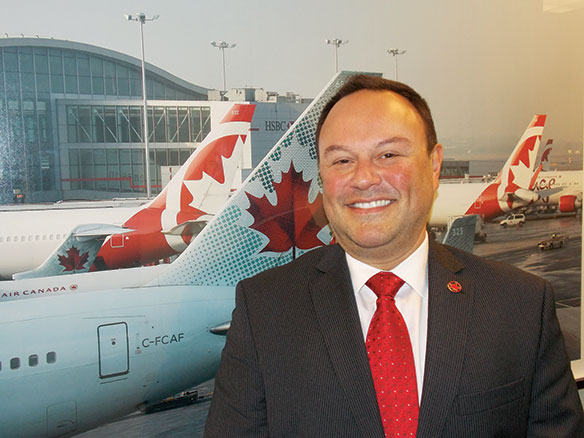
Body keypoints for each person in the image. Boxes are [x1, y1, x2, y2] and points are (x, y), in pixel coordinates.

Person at [204, 75, 583, 437]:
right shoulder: (264, 310)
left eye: (388, 154)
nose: (364, 178)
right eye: (341, 160)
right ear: (321, 176)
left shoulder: (521, 304)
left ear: (434, 165)